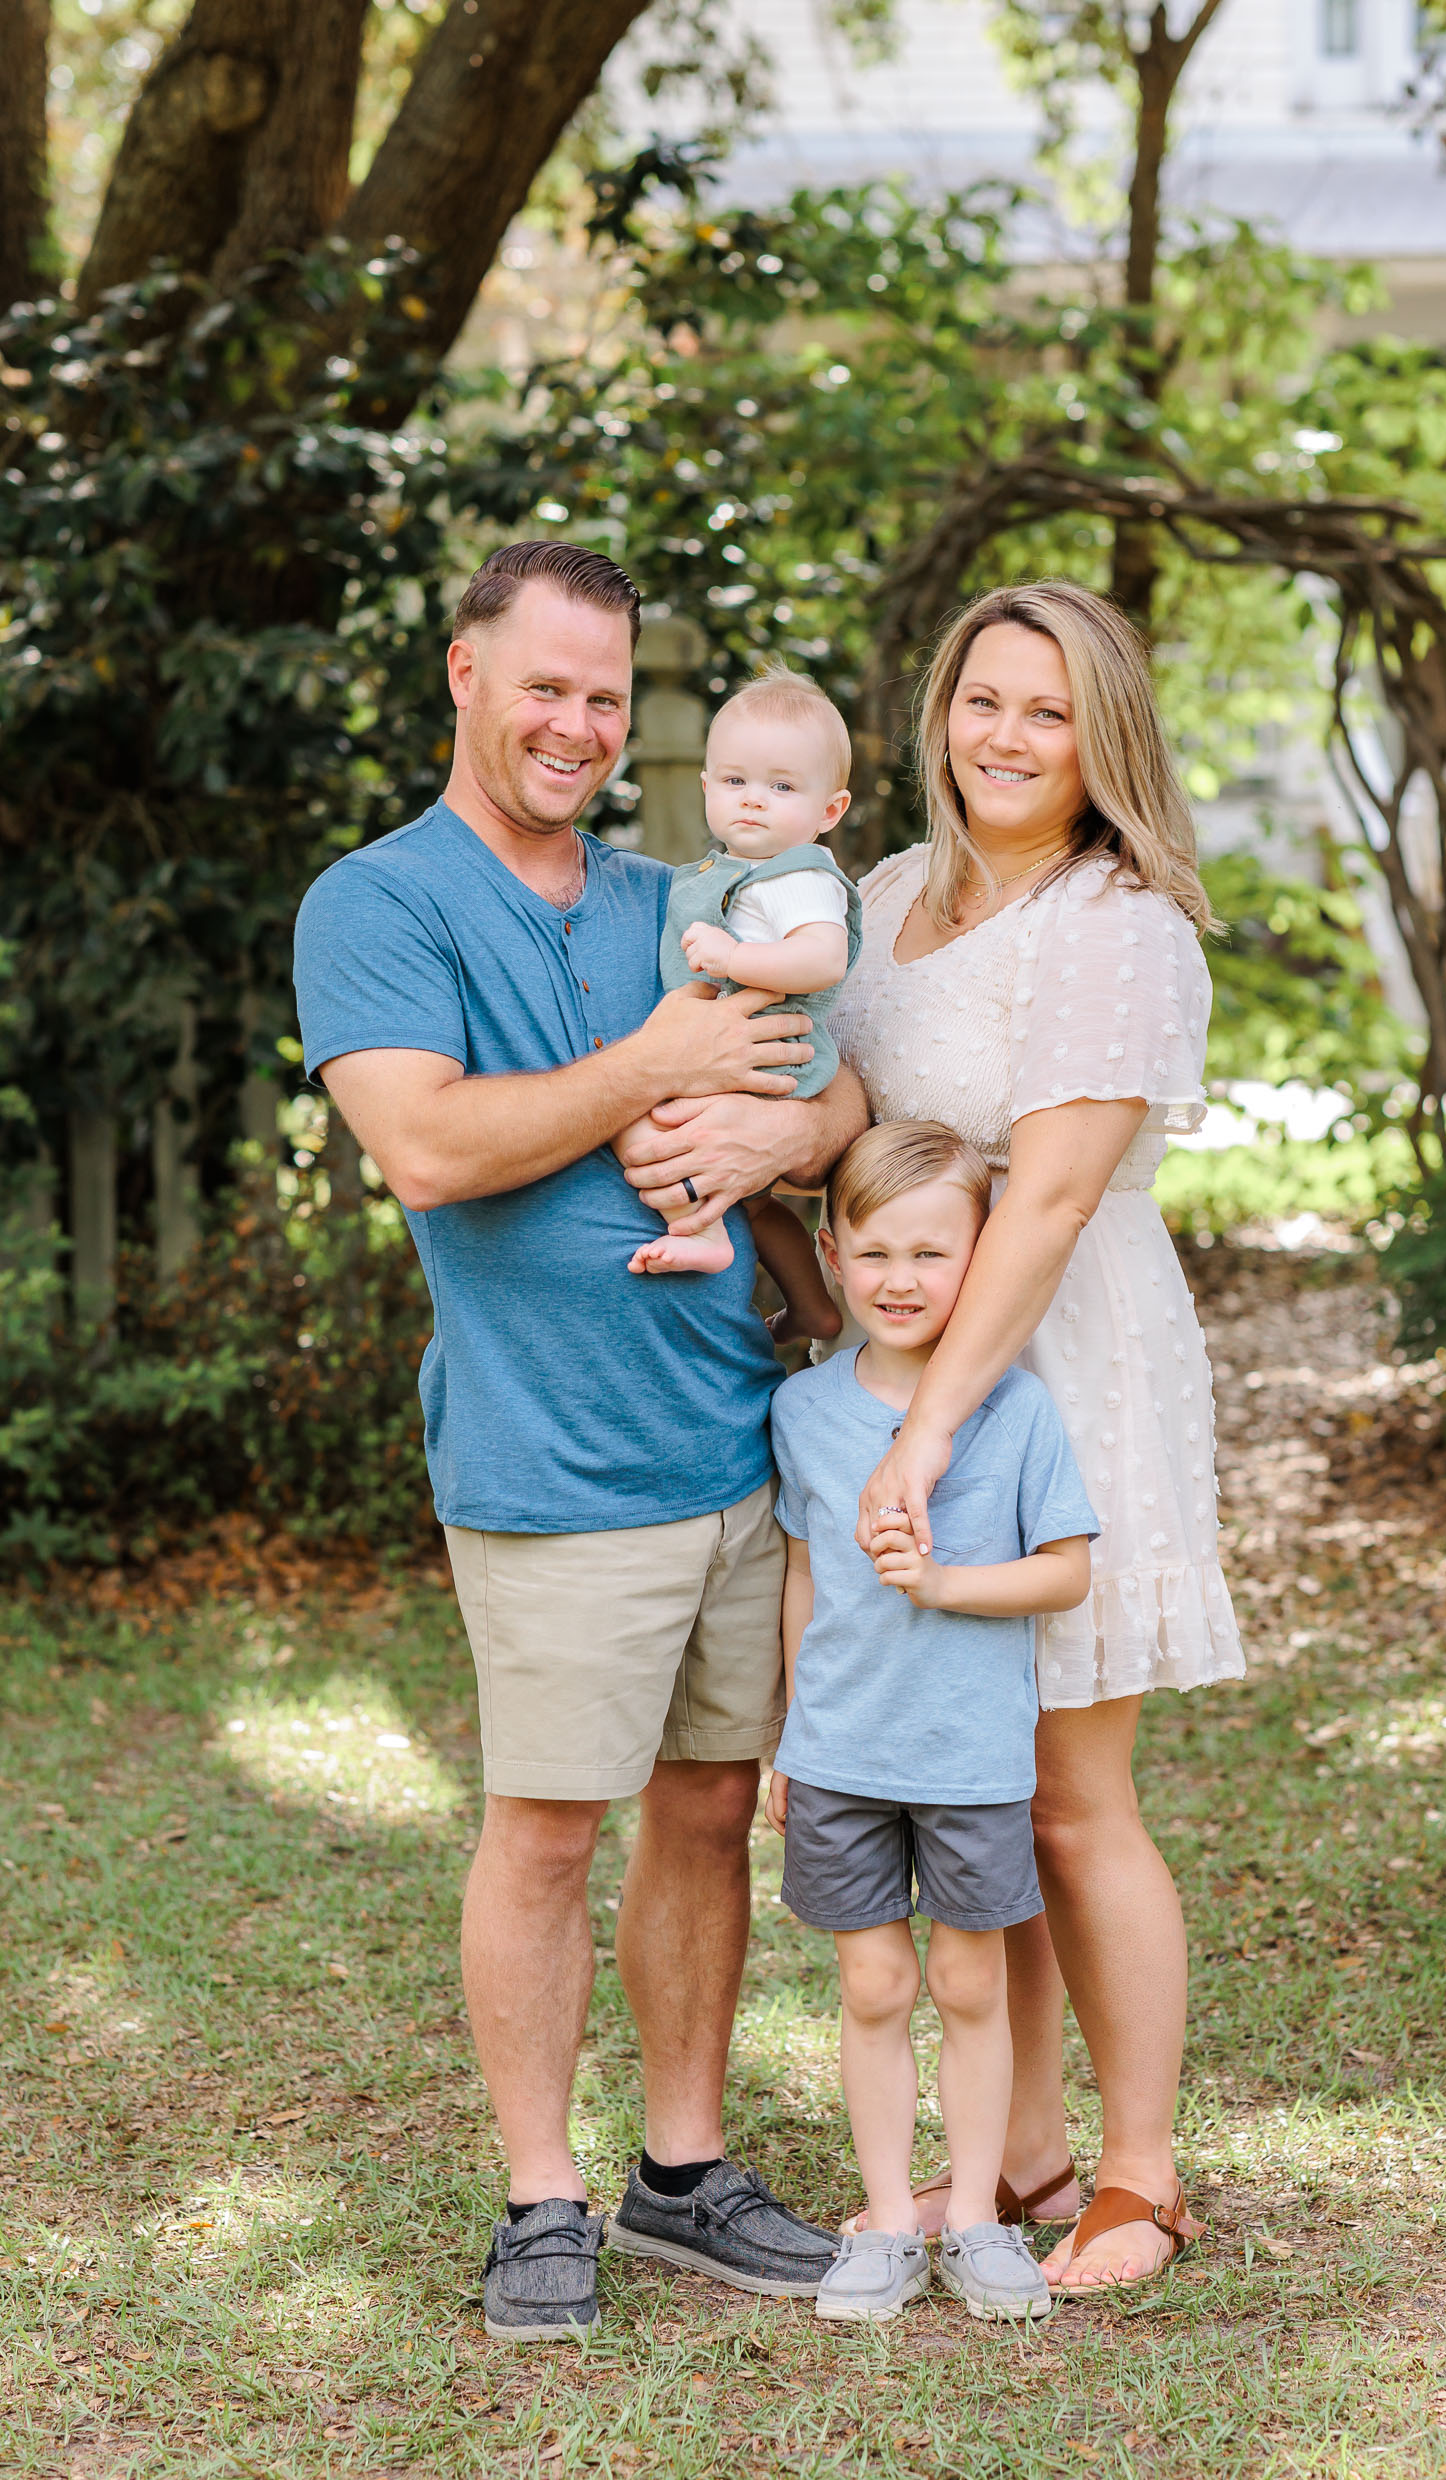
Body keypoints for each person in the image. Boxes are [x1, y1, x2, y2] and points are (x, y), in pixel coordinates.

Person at [292, 540, 867, 2341]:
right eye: (544, 683)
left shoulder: (672, 892)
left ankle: (680, 2171)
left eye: (607, 696)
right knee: (545, 1830)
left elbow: (836, 1080)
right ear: (464, 673)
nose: (576, 723)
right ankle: (541, 2194)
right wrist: (655, 1063)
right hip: (549, 1462)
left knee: (705, 1812)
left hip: (736, 1440)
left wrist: (785, 1135)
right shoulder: (375, 902)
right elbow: (434, 1149)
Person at [827, 580, 1246, 2291]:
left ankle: (1136, 2179)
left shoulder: (1113, 920)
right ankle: (1015, 2157)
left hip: (1064, 1363)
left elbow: (1052, 1197)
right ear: (938, 715)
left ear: (1102, 742)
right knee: (977, 1774)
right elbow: (846, 1130)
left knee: (1071, 1790)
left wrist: (924, 1432)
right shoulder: (872, 901)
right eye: (980, 700)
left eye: (1046, 710)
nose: (1003, 736)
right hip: (912, 1353)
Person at [764, 1121, 1097, 2325]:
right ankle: (889, 2222)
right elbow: (805, 1582)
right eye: (877, 1250)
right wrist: (786, 1736)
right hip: (842, 1752)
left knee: (968, 1979)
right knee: (870, 1982)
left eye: (933, 1251)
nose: (902, 1277)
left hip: (969, 1757)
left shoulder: (1016, 1414)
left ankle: (974, 2218)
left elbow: (1064, 1573)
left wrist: (945, 1581)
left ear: (981, 1257)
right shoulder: (802, 1413)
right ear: (833, 1252)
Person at [626, 664, 861, 1345]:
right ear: (706, 787)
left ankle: (697, 1231)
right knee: (755, 1202)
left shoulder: (798, 876)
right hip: (743, 1050)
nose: (752, 800)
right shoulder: (723, 872)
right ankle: (812, 1307)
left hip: (769, 1054)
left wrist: (732, 961)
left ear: (829, 811)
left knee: (642, 1122)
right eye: (734, 782)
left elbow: (822, 958)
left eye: (781, 786)